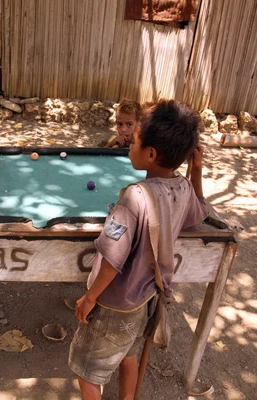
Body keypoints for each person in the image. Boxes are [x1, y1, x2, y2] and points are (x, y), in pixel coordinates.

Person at [69, 99, 208, 400]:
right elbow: (200, 211)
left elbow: (112, 259)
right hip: (143, 300)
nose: (129, 143)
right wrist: (196, 171)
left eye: (134, 140)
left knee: (87, 371)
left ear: (151, 153)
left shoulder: (134, 198)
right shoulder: (183, 188)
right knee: (127, 355)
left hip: (113, 303)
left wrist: (89, 298)